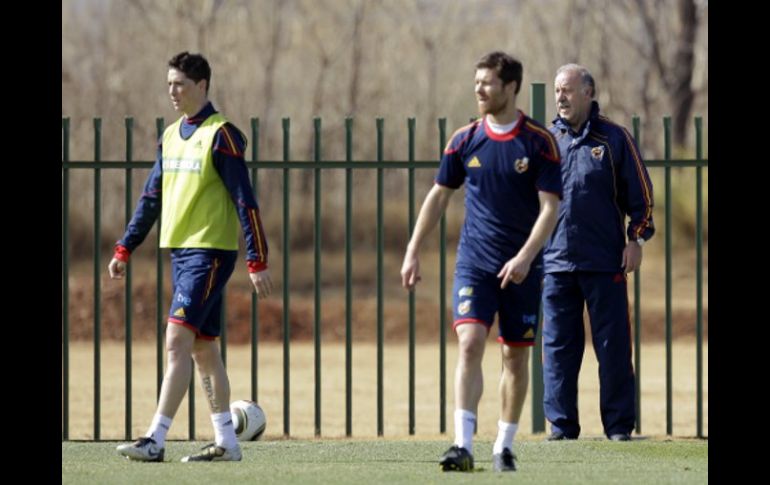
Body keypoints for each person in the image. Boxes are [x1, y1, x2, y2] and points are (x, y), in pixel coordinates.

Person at [401, 51, 561, 472]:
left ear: (510, 87)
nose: (479, 89)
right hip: (475, 262)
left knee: (515, 357)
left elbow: (550, 208)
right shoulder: (463, 139)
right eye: (477, 82)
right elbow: (439, 196)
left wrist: (526, 257)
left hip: (522, 268)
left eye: (487, 82)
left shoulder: (539, 143)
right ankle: (462, 445)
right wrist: (413, 248)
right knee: (470, 343)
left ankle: (504, 445)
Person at [109, 51, 273, 462]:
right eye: (168, 84)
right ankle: (227, 442)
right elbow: (151, 198)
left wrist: (257, 260)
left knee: (175, 340)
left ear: (202, 86)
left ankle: (156, 438)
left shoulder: (223, 135)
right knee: (203, 350)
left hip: (210, 254)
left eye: (179, 84)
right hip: (180, 254)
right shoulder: (169, 135)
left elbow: (244, 200)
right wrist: (125, 247)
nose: (172, 91)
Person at [542, 63, 655, 442]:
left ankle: (619, 427)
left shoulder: (614, 139)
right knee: (558, 350)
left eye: (568, 90)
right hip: (555, 264)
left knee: (613, 349)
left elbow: (642, 197)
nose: (560, 97)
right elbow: (525, 202)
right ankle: (561, 428)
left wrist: (635, 239)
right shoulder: (544, 142)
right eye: (558, 90)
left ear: (588, 93)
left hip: (605, 262)